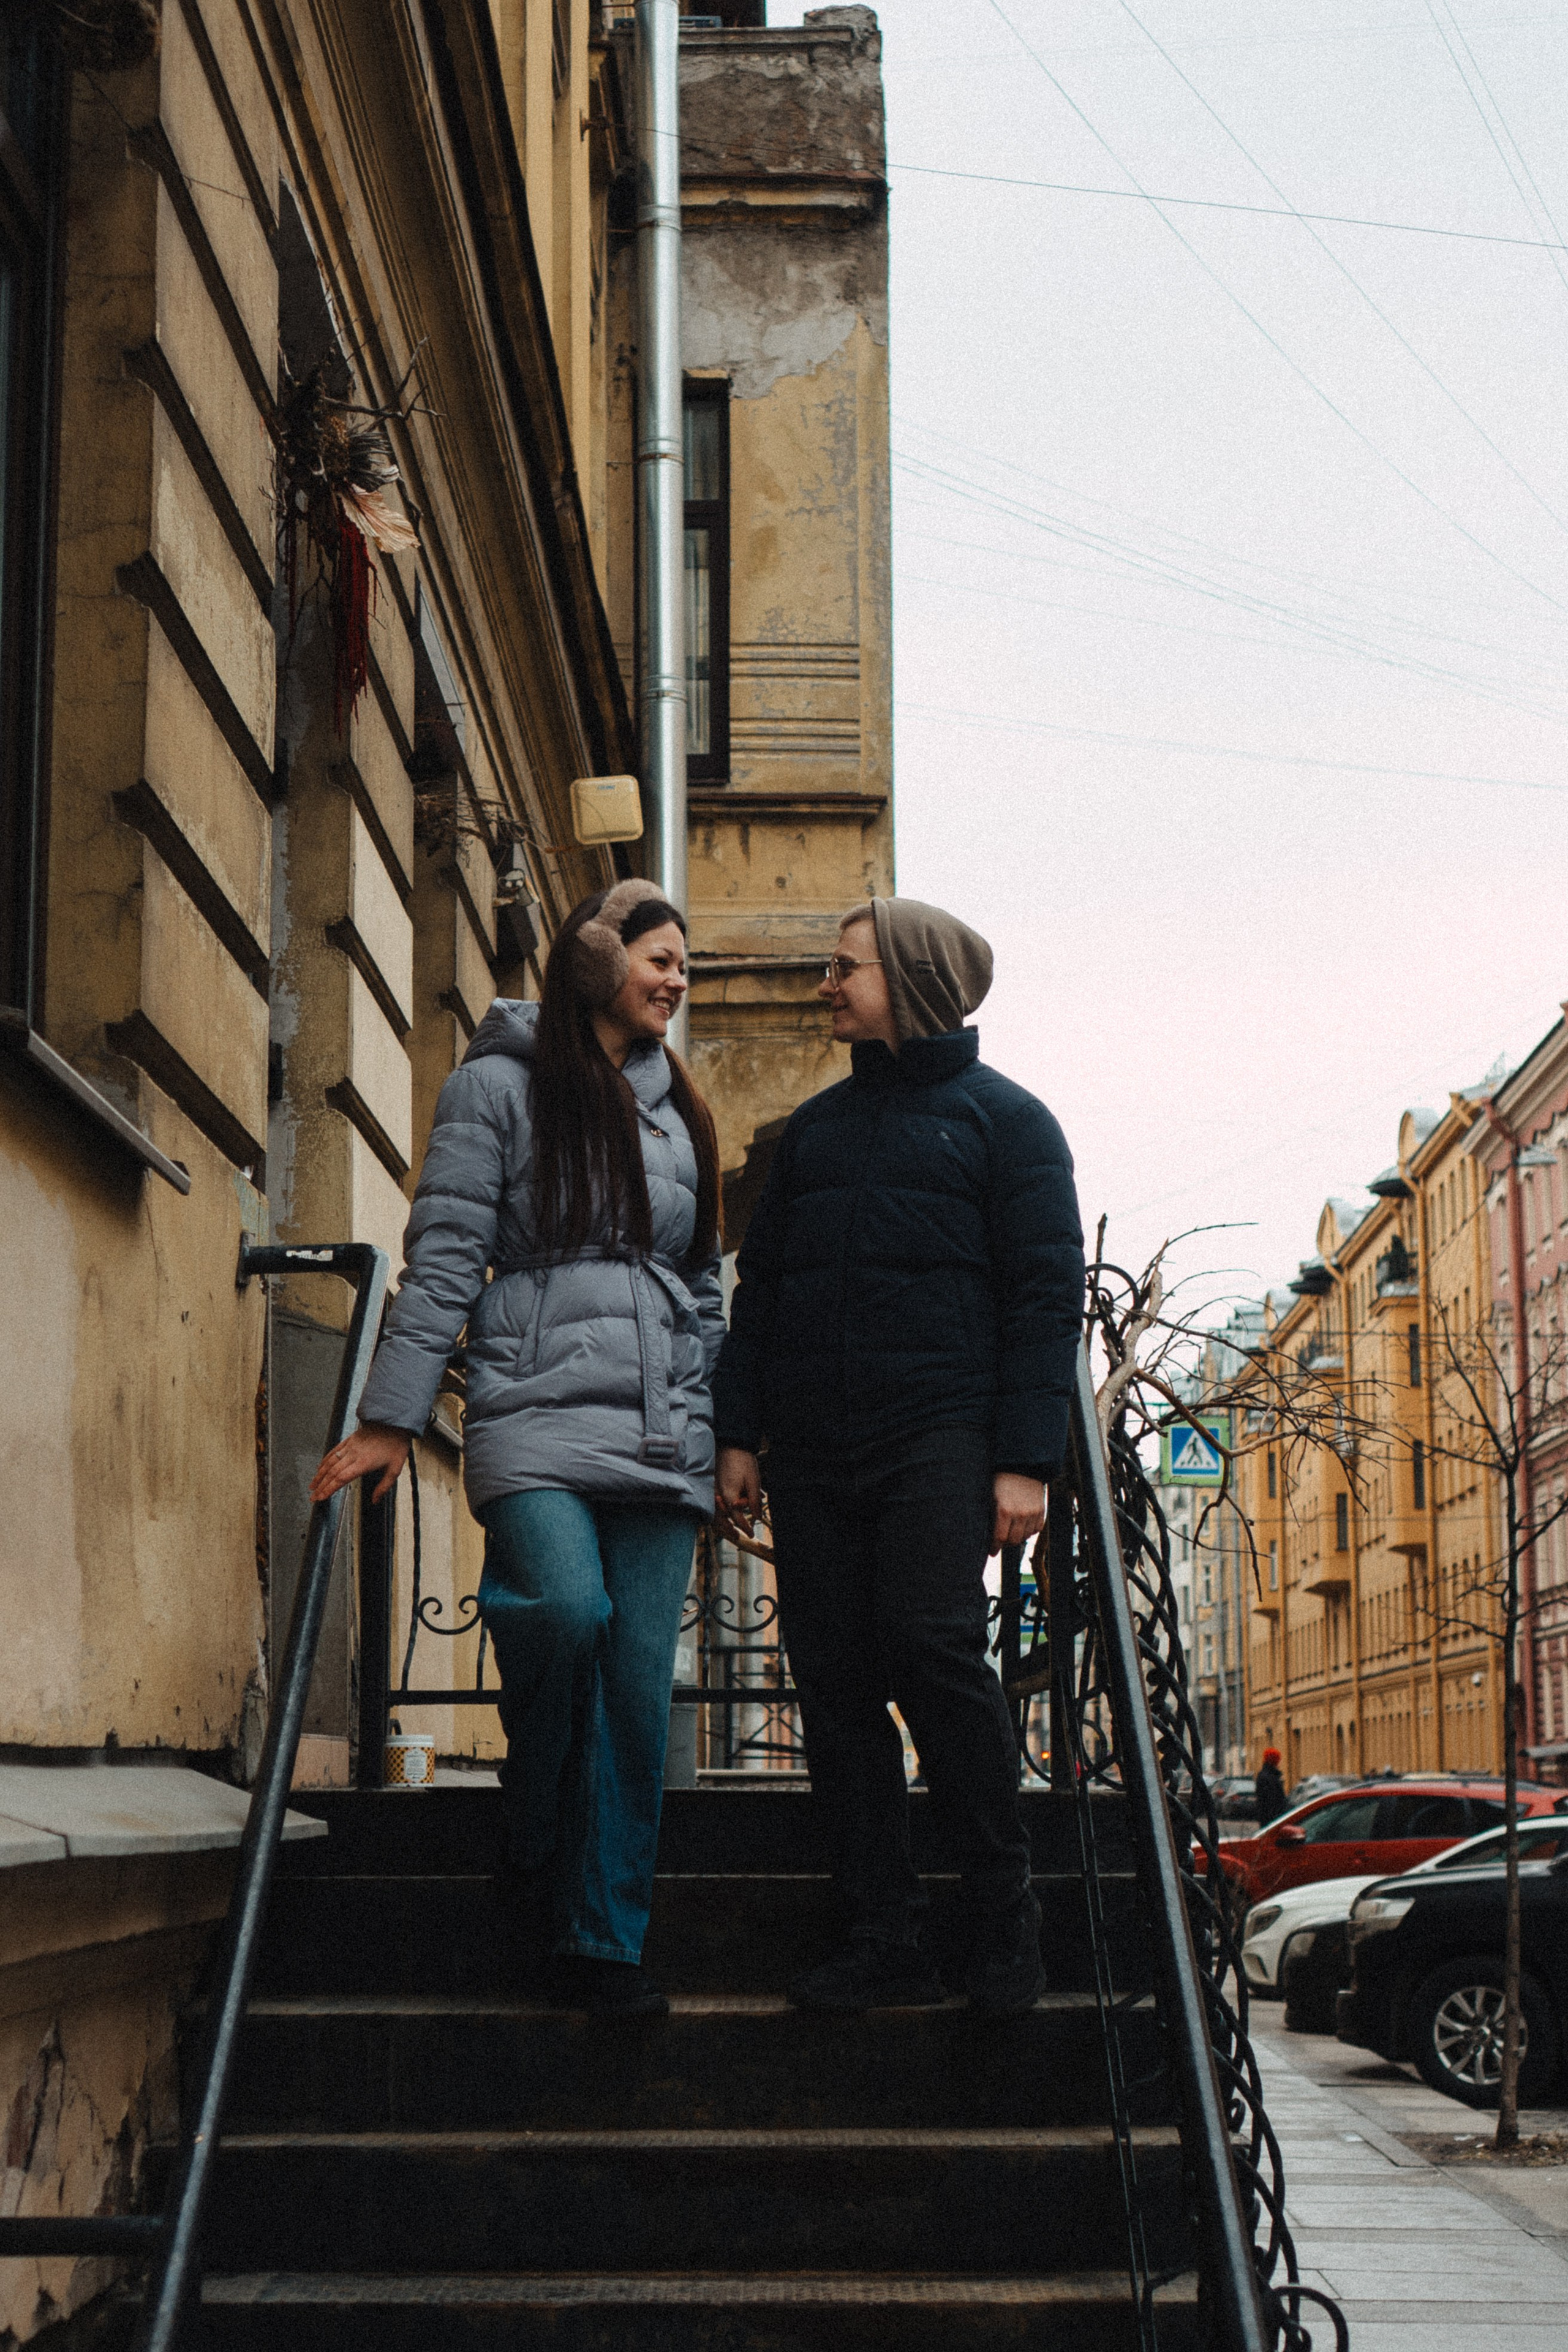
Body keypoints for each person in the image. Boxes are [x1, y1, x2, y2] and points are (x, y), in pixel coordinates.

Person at [309, 881, 724, 2016]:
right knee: (566, 1615)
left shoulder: (682, 1107)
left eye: (686, 964)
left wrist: (721, 1431)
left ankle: (602, 1944)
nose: (676, 979)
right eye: (659, 957)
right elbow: (444, 1255)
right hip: (534, 1412)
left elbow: (703, 1281)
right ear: (596, 958)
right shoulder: (496, 1086)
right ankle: (535, 1823)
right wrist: (392, 1414)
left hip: (660, 1432)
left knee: (637, 1693)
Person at [713, 897, 1084, 2016]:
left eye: (845, 969)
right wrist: (740, 1433)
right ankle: (883, 1930)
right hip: (816, 1453)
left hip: (940, 1439)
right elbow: (761, 1298)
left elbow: (1043, 1300)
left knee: (934, 1653)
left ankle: (1001, 1907)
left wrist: (1026, 1461)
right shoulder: (814, 1134)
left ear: (909, 981)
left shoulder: (1009, 1125)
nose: (826, 985)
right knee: (832, 1684)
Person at [1254, 1747, 1287, 1827]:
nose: (1279, 1762)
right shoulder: (1270, 1777)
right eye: (1277, 1760)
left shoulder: (1265, 1775)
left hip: (1268, 1818)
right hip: (1272, 1819)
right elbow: (1272, 1800)